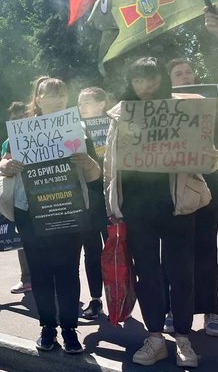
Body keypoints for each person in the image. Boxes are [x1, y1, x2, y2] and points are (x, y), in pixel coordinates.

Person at [104, 57, 207, 367]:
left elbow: (204, 155)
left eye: (150, 79)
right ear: (130, 83)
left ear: (161, 80)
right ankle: (155, 338)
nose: (145, 87)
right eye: (138, 80)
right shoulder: (119, 115)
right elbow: (110, 162)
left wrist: (206, 155)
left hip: (178, 205)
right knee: (147, 273)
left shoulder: (185, 108)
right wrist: (113, 204)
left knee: (181, 273)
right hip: (137, 208)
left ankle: (184, 339)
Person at [0, 76, 101, 354]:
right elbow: (4, 161)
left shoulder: (79, 129)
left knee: (68, 271)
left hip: (69, 210)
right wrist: (7, 166)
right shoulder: (22, 130)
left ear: (66, 98)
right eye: (49, 94)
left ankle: (69, 329)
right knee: (41, 273)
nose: (55, 99)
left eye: (60, 94)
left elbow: (95, 175)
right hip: (30, 212)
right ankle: (47, 328)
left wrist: (89, 162)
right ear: (38, 99)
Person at [164, 56, 218, 337]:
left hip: (208, 187)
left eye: (188, 72)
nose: (185, 77)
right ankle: (173, 309)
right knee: (174, 253)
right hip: (174, 189)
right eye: (178, 73)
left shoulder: (212, 103)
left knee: (207, 249)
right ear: (169, 81)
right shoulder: (159, 109)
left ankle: (211, 309)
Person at [77, 87, 110, 321]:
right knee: (91, 253)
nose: (82, 107)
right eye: (79, 103)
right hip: (86, 200)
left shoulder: (114, 125)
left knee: (116, 251)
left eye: (87, 102)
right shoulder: (75, 130)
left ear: (102, 103)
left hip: (110, 198)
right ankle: (96, 300)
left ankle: (121, 298)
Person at [3, 101, 32, 295]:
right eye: (15, 119)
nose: (19, 121)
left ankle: (52, 282)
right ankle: (27, 280)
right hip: (22, 199)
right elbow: (4, 163)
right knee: (23, 242)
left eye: (23, 117)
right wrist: (3, 165)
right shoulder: (8, 141)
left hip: (46, 196)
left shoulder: (42, 133)